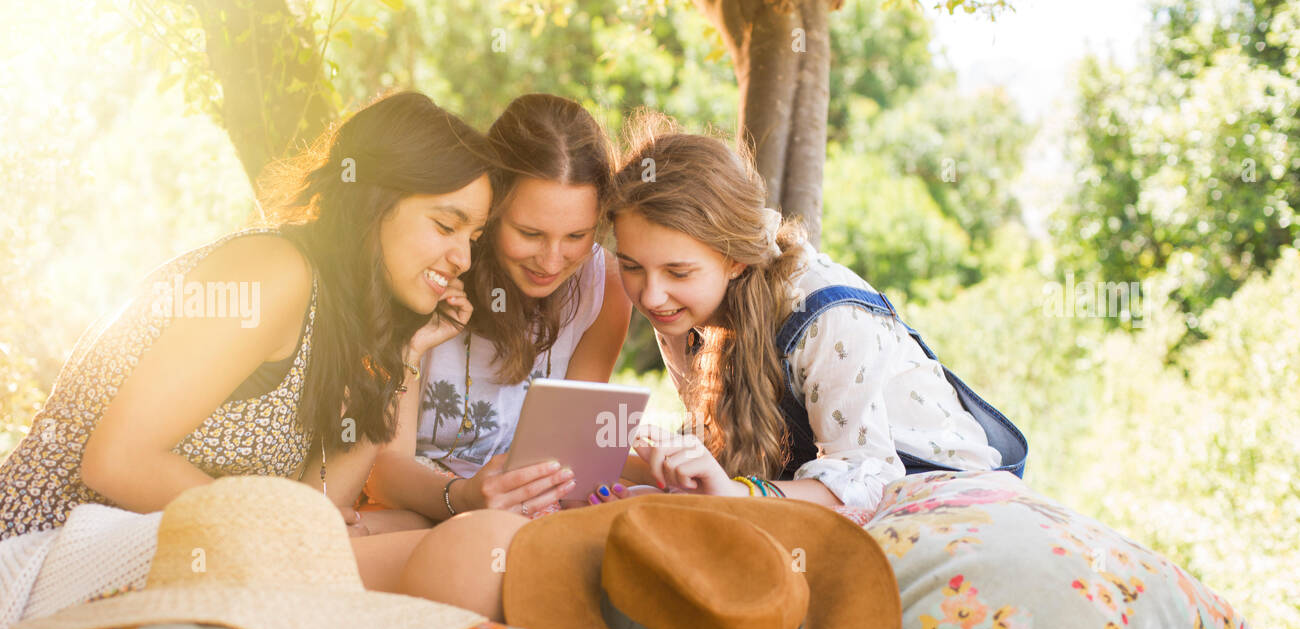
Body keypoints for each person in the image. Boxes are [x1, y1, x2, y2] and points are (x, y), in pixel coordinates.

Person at [0, 90, 492, 541]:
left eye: (472, 238)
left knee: (415, 534)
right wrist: (273, 523)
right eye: (446, 225)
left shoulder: (344, 317)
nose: (463, 260)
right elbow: (116, 462)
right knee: (443, 548)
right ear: (373, 203)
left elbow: (317, 508)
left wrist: (401, 354)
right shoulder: (273, 273)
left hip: (170, 552)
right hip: (49, 542)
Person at [590, 113, 1025, 514]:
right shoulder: (682, 315)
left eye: (678, 271)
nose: (651, 296)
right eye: (631, 266)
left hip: (932, 491)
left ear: (736, 259)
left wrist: (737, 493)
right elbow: (724, 471)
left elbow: (864, 479)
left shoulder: (826, 314)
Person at [364, 93, 632, 525]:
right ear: (492, 209)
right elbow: (380, 472)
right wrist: (465, 497)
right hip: (418, 504)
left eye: (576, 236)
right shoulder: (432, 273)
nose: (551, 261)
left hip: (522, 511)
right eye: (529, 233)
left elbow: (572, 457)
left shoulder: (603, 286)